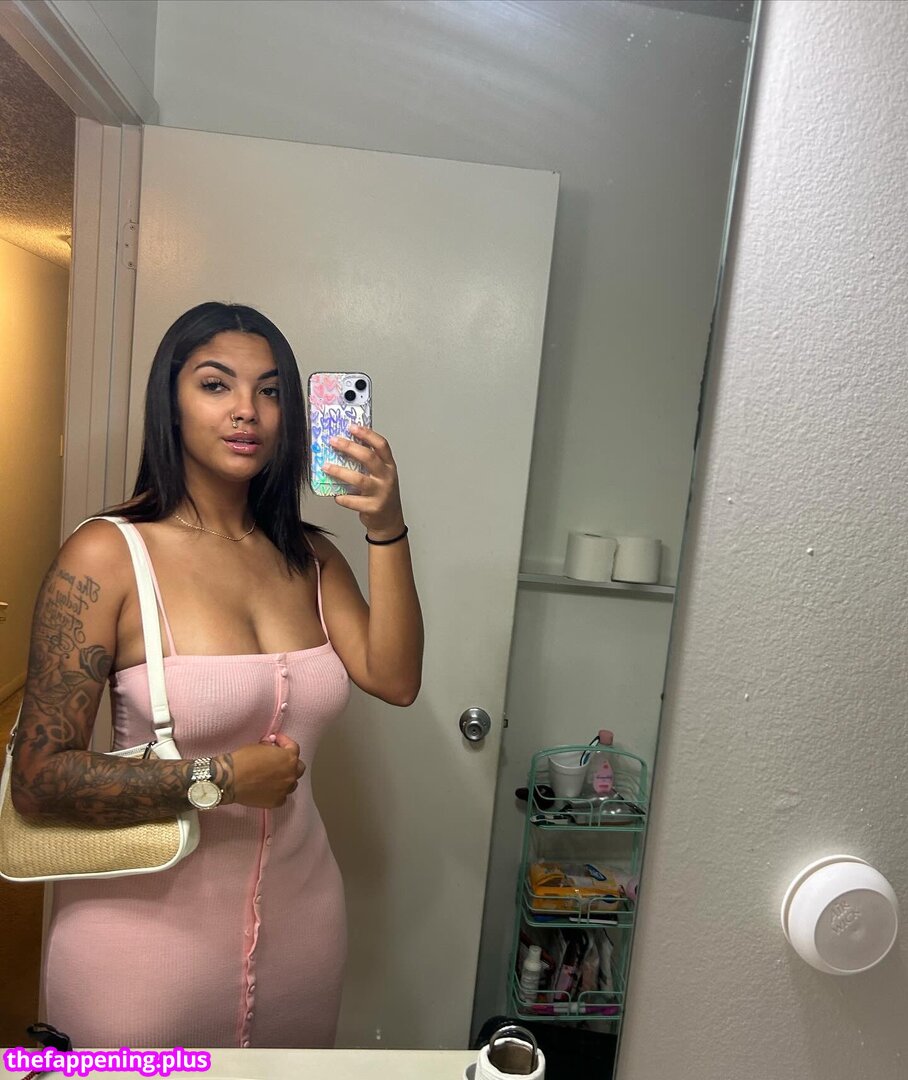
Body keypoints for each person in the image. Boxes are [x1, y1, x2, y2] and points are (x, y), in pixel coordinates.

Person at [11, 301, 423, 1049]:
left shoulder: (312, 557)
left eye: (270, 391)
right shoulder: (107, 555)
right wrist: (220, 778)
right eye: (215, 384)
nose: (247, 411)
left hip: (304, 929)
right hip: (140, 942)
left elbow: (395, 679)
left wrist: (385, 527)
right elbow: (38, 782)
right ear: (169, 403)